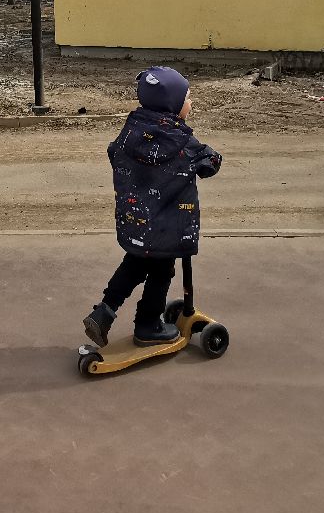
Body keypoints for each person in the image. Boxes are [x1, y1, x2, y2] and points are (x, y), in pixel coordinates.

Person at [83, 66, 223, 347]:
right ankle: (147, 325)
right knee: (162, 271)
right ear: (173, 105)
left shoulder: (131, 130)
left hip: (136, 220)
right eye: (187, 99)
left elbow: (114, 152)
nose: (190, 103)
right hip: (167, 228)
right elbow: (210, 164)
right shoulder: (183, 142)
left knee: (134, 264)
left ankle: (104, 311)